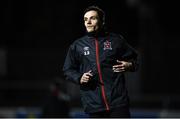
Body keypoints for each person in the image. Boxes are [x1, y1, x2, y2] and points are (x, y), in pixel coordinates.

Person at [63, 5, 139, 118]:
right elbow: (67, 70)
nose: (88, 22)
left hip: (118, 102)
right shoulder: (77, 46)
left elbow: (135, 60)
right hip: (94, 104)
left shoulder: (116, 40)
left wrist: (130, 65)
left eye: (92, 18)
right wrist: (79, 77)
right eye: (85, 19)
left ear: (102, 21)